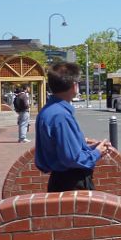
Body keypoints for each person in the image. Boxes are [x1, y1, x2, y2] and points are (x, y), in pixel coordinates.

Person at [35, 63, 110, 192]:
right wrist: (97, 152)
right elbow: (72, 158)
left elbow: (63, 150)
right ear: (74, 85)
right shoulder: (61, 115)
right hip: (72, 183)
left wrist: (90, 147)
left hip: (59, 180)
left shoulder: (48, 110)